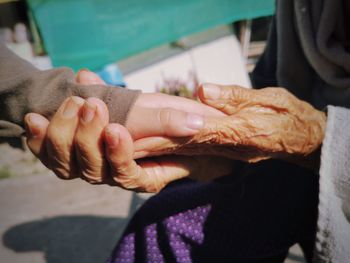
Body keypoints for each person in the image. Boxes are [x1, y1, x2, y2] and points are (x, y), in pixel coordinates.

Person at [4, 0, 350, 261]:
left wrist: (316, 138)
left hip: (333, 154)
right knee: (161, 225)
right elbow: (273, 76)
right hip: (285, 162)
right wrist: (225, 150)